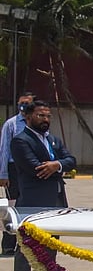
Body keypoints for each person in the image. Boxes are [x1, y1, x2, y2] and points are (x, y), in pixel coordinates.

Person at [11, 101, 76, 271]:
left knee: (51, 245)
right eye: (41, 115)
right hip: (32, 202)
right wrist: (58, 167)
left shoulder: (53, 140)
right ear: (28, 117)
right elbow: (34, 169)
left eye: (48, 116)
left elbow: (71, 160)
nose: (45, 120)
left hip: (56, 201)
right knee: (26, 248)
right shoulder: (21, 141)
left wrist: (57, 165)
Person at [0, 91, 35, 255]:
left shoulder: (36, 123)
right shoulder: (11, 124)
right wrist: (3, 174)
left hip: (31, 170)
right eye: (22, 103)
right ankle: (8, 244)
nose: (24, 106)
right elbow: (4, 150)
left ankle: (27, 244)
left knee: (29, 207)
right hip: (13, 170)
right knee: (12, 208)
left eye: (27, 103)